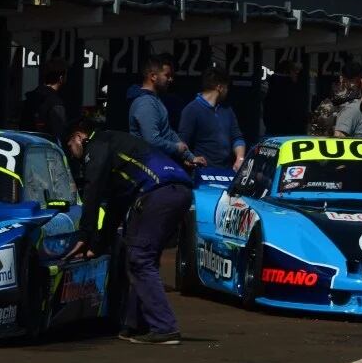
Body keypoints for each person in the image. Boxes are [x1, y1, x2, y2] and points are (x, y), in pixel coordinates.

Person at [64, 120, 191, 345]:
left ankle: (164, 327)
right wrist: (99, 243)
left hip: (158, 193)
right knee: (142, 258)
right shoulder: (118, 148)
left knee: (140, 259)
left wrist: (84, 235)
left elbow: (92, 191)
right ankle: (135, 325)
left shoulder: (97, 144)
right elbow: (116, 205)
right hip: (179, 191)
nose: (72, 155)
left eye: (70, 147)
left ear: (78, 136)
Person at [128, 55, 201, 167]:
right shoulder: (145, 103)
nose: (171, 79)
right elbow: (152, 140)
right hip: (147, 168)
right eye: (167, 75)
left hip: (158, 165)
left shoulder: (155, 100)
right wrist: (177, 148)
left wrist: (191, 157)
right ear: (153, 76)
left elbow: (168, 132)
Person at [178, 67, 246, 170]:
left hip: (227, 171)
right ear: (219, 87)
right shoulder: (191, 110)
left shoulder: (227, 109)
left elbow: (237, 138)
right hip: (203, 172)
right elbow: (182, 144)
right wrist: (189, 160)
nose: (227, 91)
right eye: (226, 87)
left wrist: (240, 159)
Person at [18, 58, 70, 146]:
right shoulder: (55, 103)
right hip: (46, 151)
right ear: (61, 78)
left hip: (27, 146)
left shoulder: (31, 97)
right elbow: (58, 135)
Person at [262, 59, 308, 137]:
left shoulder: (271, 87)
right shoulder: (292, 89)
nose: (297, 74)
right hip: (289, 134)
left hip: (271, 132)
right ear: (289, 72)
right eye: (295, 71)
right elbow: (297, 113)